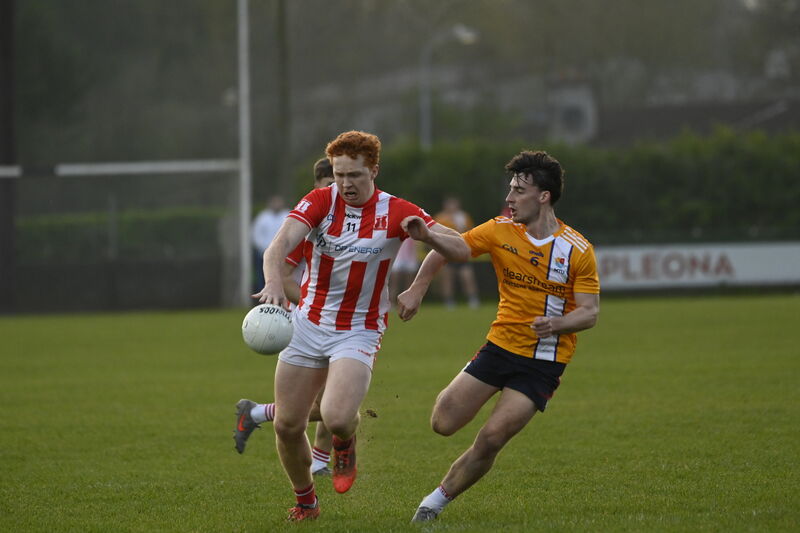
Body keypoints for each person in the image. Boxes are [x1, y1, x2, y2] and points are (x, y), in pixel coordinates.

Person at [244, 130, 464, 522]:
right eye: (340, 174)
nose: (345, 184)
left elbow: (458, 246)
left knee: (338, 417)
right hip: (307, 323)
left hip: (358, 330)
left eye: (354, 176)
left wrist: (419, 278)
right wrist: (274, 283)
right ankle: (306, 502)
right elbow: (277, 247)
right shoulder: (319, 201)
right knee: (289, 425)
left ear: (374, 170)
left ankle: (344, 443)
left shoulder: (396, 211)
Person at [397, 150, 600, 523]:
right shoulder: (499, 229)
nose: (509, 198)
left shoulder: (577, 250)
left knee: (492, 438)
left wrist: (556, 325)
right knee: (442, 422)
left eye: (519, 191)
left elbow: (589, 313)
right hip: (499, 348)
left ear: (544, 196)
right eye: (510, 189)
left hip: (543, 363)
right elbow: (456, 248)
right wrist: (420, 273)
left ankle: (434, 504)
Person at [234, 158, 335, 478]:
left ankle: (318, 459)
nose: (339, 190)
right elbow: (284, 271)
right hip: (310, 322)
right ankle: (259, 414)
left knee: (338, 403)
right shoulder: (309, 221)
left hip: (346, 321)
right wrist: (313, 305)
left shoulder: (358, 219)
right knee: (331, 405)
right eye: (330, 184)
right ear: (317, 185)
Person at [433, 196, 480, 309]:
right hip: (447, 251)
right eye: (450, 204)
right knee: (448, 278)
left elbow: (471, 231)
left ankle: (473, 299)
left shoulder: (463, 216)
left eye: (454, 204)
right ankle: (449, 301)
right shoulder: (440, 218)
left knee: (467, 276)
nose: (452, 206)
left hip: (461, 251)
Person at [251, 194, 290, 292]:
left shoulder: (288, 215)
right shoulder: (262, 217)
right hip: (263, 253)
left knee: (283, 276)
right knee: (263, 277)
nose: (276, 204)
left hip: (284, 254)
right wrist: (267, 250)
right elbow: (256, 235)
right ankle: (263, 299)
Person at [388, 237, 420, 308]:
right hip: (398, 257)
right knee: (394, 283)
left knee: (410, 285)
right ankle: (391, 303)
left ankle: (407, 303)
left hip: (411, 257)